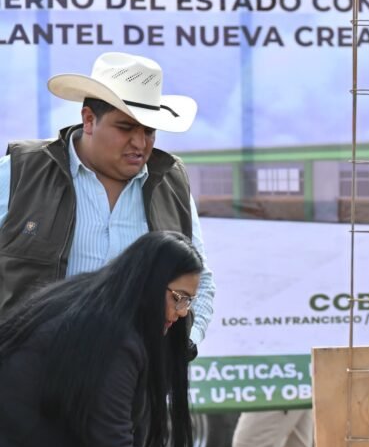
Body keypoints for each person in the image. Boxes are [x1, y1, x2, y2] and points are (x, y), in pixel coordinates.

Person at [0, 51, 215, 355]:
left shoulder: (171, 182)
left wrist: (183, 345)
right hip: (27, 381)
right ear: (89, 119)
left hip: (131, 385)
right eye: (126, 128)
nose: (140, 143)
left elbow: (199, 277)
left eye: (149, 131)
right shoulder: (20, 172)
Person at [0, 231, 202, 447]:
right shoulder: (114, 338)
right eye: (178, 297)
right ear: (150, 282)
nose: (183, 311)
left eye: (189, 301)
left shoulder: (94, 301)